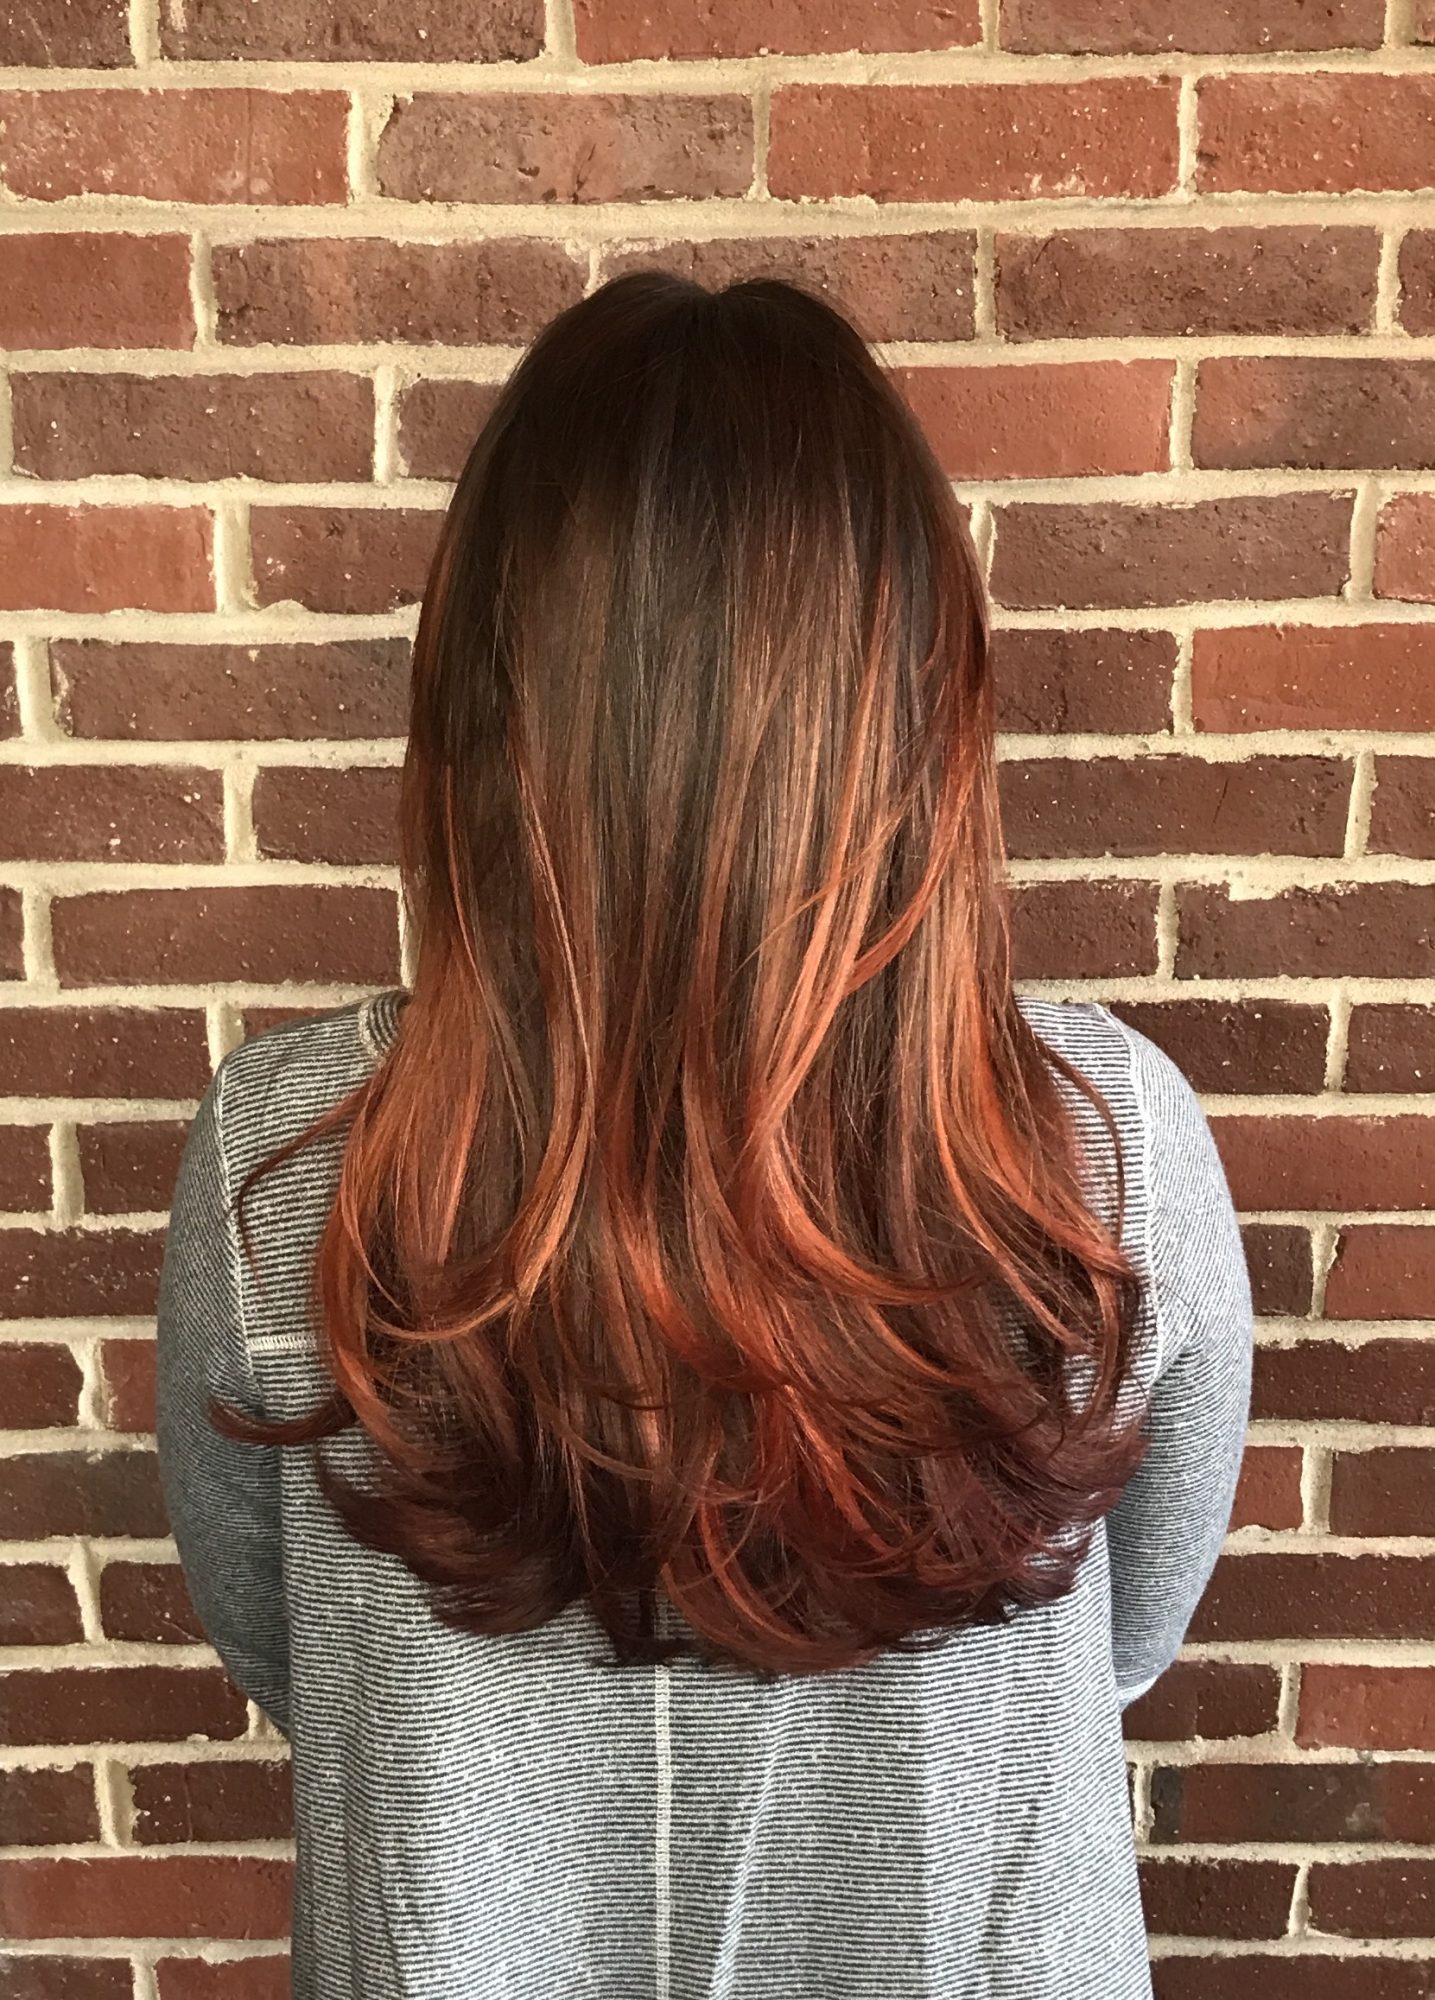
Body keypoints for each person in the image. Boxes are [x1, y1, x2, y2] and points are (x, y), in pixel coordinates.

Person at [155, 271, 1254, 2000]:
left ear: (485, 699)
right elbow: (1124, 1642)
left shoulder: (288, 1168)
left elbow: (288, 1660)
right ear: (916, 706)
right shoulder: (1107, 1147)